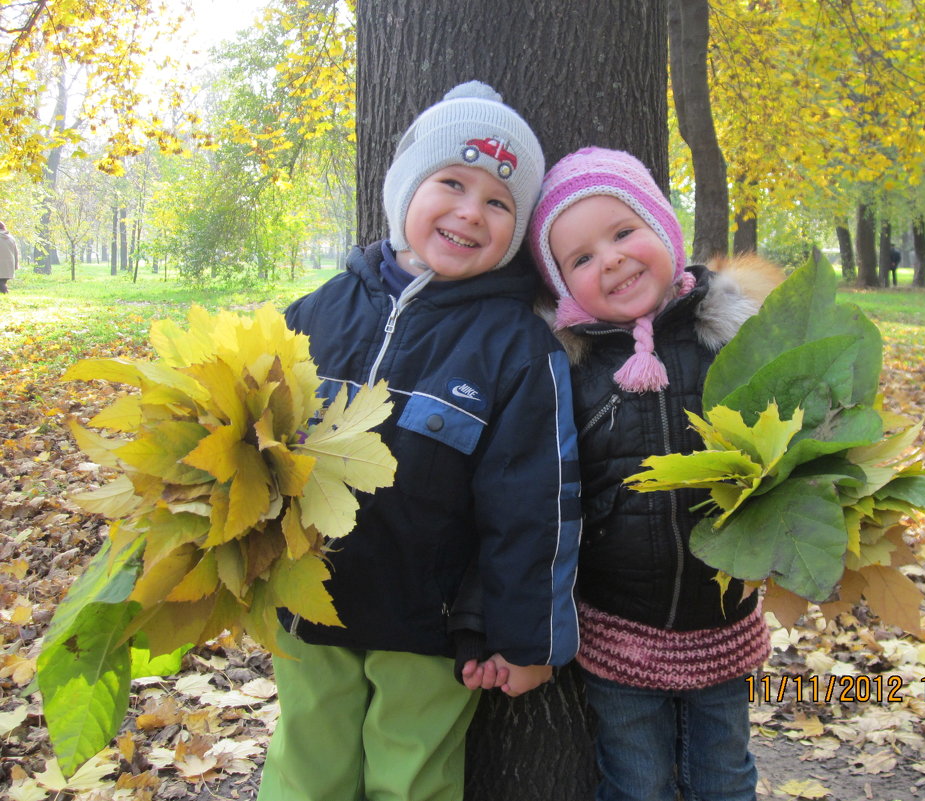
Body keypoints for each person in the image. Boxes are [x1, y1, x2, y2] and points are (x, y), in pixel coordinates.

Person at [257, 82, 582, 801]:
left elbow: (537, 505)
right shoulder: (316, 311)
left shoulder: (519, 346)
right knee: (306, 771)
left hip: (427, 627)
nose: (471, 211)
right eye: (452, 183)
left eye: (500, 202)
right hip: (310, 603)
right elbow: (252, 438)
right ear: (405, 187)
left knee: (411, 781)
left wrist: (527, 640)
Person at [529, 147, 776, 801]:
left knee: (725, 774)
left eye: (622, 232)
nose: (608, 258)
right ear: (560, 282)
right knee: (637, 780)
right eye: (580, 258)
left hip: (721, 614)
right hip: (619, 625)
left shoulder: (729, 339)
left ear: (664, 229)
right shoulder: (571, 370)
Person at [0, 221, 19, 293]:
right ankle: (4, 291)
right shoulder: (11, 238)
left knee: (1, 283)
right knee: (2, 281)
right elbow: (16, 253)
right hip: (9, 264)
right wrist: (16, 265)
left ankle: (5, 291)